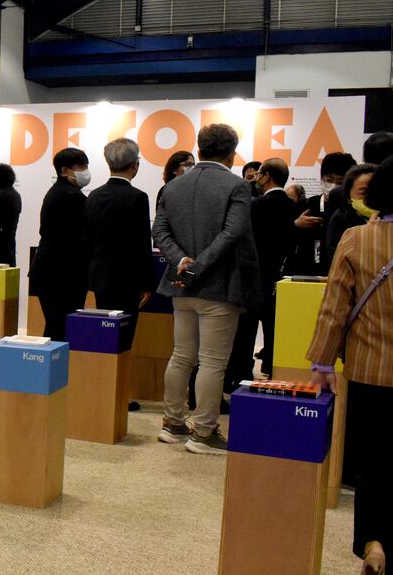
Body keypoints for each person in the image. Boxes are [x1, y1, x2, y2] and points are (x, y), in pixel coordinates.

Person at [307, 148, 393, 575]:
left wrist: (322, 364)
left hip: (371, 373)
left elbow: (334, 307)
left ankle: (374, 544)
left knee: (374, 465)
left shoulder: (356, 239)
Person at [152, 124, 260, 455]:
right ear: (232, 153)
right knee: (212, 361)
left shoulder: (174, 186)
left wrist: (182, 260)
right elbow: (233, 233)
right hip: (220, 285)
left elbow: (160, 230)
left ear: (199, 149)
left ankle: (173, 423)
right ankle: (203, 431)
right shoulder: (238, 186)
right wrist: (200, 263)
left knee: (182, 355)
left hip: (181, 284)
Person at [228, 158, 294, 383]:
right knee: (275, 330)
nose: (256, 179)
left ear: (267, 176)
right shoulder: (293, 206)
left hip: (252, 276)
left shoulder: (256, 206)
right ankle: (277, 373)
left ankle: (240, 374)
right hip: (280, 278)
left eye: (259, 175)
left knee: (245, 332)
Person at [85, 138, 152, 349]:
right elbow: (141, 243)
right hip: (127, 278)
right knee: (124, 336)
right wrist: (146, 284)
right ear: (135, 164)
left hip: (99, 275)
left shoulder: (93, 196)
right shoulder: (138, 197)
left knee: (104, 333)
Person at [29, 148, 91, 342]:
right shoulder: (71, 196)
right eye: (81, 166)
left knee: (56, 326)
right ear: (65, 170)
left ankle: (49, 370)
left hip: (52, 272)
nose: (86, 171)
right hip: (61, 274)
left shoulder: (61, 192)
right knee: (60, 328)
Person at [286, 152, 357, 276]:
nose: (333, 185)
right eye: (328, 180)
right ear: (321, 178)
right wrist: (296, 225)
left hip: (342, 272)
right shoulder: (306, 205)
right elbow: (284, 239)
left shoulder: (352, 209)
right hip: (305, 272)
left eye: (340, 182)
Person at [326, 164, 378, 258]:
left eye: (377, 190)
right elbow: (337, 258)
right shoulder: (340, 219)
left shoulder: (392, 217)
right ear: (349, 196)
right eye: (364, 192)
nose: (371, 196)